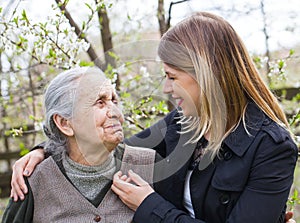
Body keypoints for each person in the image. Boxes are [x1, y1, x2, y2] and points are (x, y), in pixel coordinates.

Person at [8, 12, 298, 223]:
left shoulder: (272, 147)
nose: (166, 88)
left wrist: (150, 205)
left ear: (206, 74)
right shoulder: (183, 125)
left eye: (172, 77)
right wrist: (46, 149)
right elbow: (112, 150)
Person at [2, 67, 156, 223]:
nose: (116, 112)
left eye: (114, 100)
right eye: (100, 102)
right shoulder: (35, 181)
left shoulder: (151, 166)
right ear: (65, 124)